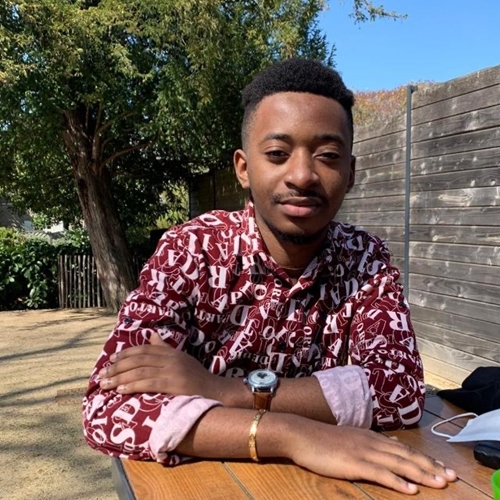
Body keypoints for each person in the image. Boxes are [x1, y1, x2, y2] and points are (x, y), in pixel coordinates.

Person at [82, 58, 456, 495]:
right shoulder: (191, 250)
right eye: (278, 154)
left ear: (351, 172)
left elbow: (400, 390)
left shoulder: (365, 259)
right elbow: (109, 407)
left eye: (328, 156)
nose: (302, 176)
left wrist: (226, 391)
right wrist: (292, 434)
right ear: (243, 168)